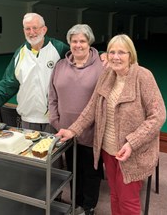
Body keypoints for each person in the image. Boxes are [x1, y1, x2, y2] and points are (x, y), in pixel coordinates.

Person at [56, 34, 167, 215]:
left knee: (128, 201)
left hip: (132, 153)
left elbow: (158, 115)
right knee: (115, 195)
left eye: (121, 52)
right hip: (108, 149)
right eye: (112, 52)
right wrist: (72, 130)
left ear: (131, 55)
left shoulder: (143, 76)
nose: (116, 57)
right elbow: (92, 107)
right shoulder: (107, 74)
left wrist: (132, 142)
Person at [0, 12, 69, 132]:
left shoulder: (59, 48)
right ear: (24, 30)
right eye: (28, 29)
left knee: (52, 150)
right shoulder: (20, 53)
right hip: (28, 119)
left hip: (54, 118)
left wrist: (99, 56)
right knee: (29, 149)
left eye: (35, 28)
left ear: (44, 29)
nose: (31, 32)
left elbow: (82, 57)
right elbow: (8, 84)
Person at [49, 24, 104, 215]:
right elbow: (52, 95)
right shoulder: (60, 66)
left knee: (91, 172)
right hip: (66, 131)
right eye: (74, 41)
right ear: (69, 43)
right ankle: (76, 203)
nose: (78, 45)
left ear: (89, 42)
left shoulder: (102, 66)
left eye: (82, 40)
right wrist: (55, 120)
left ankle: (89, 207)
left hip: (92, 132)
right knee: (73, 169)